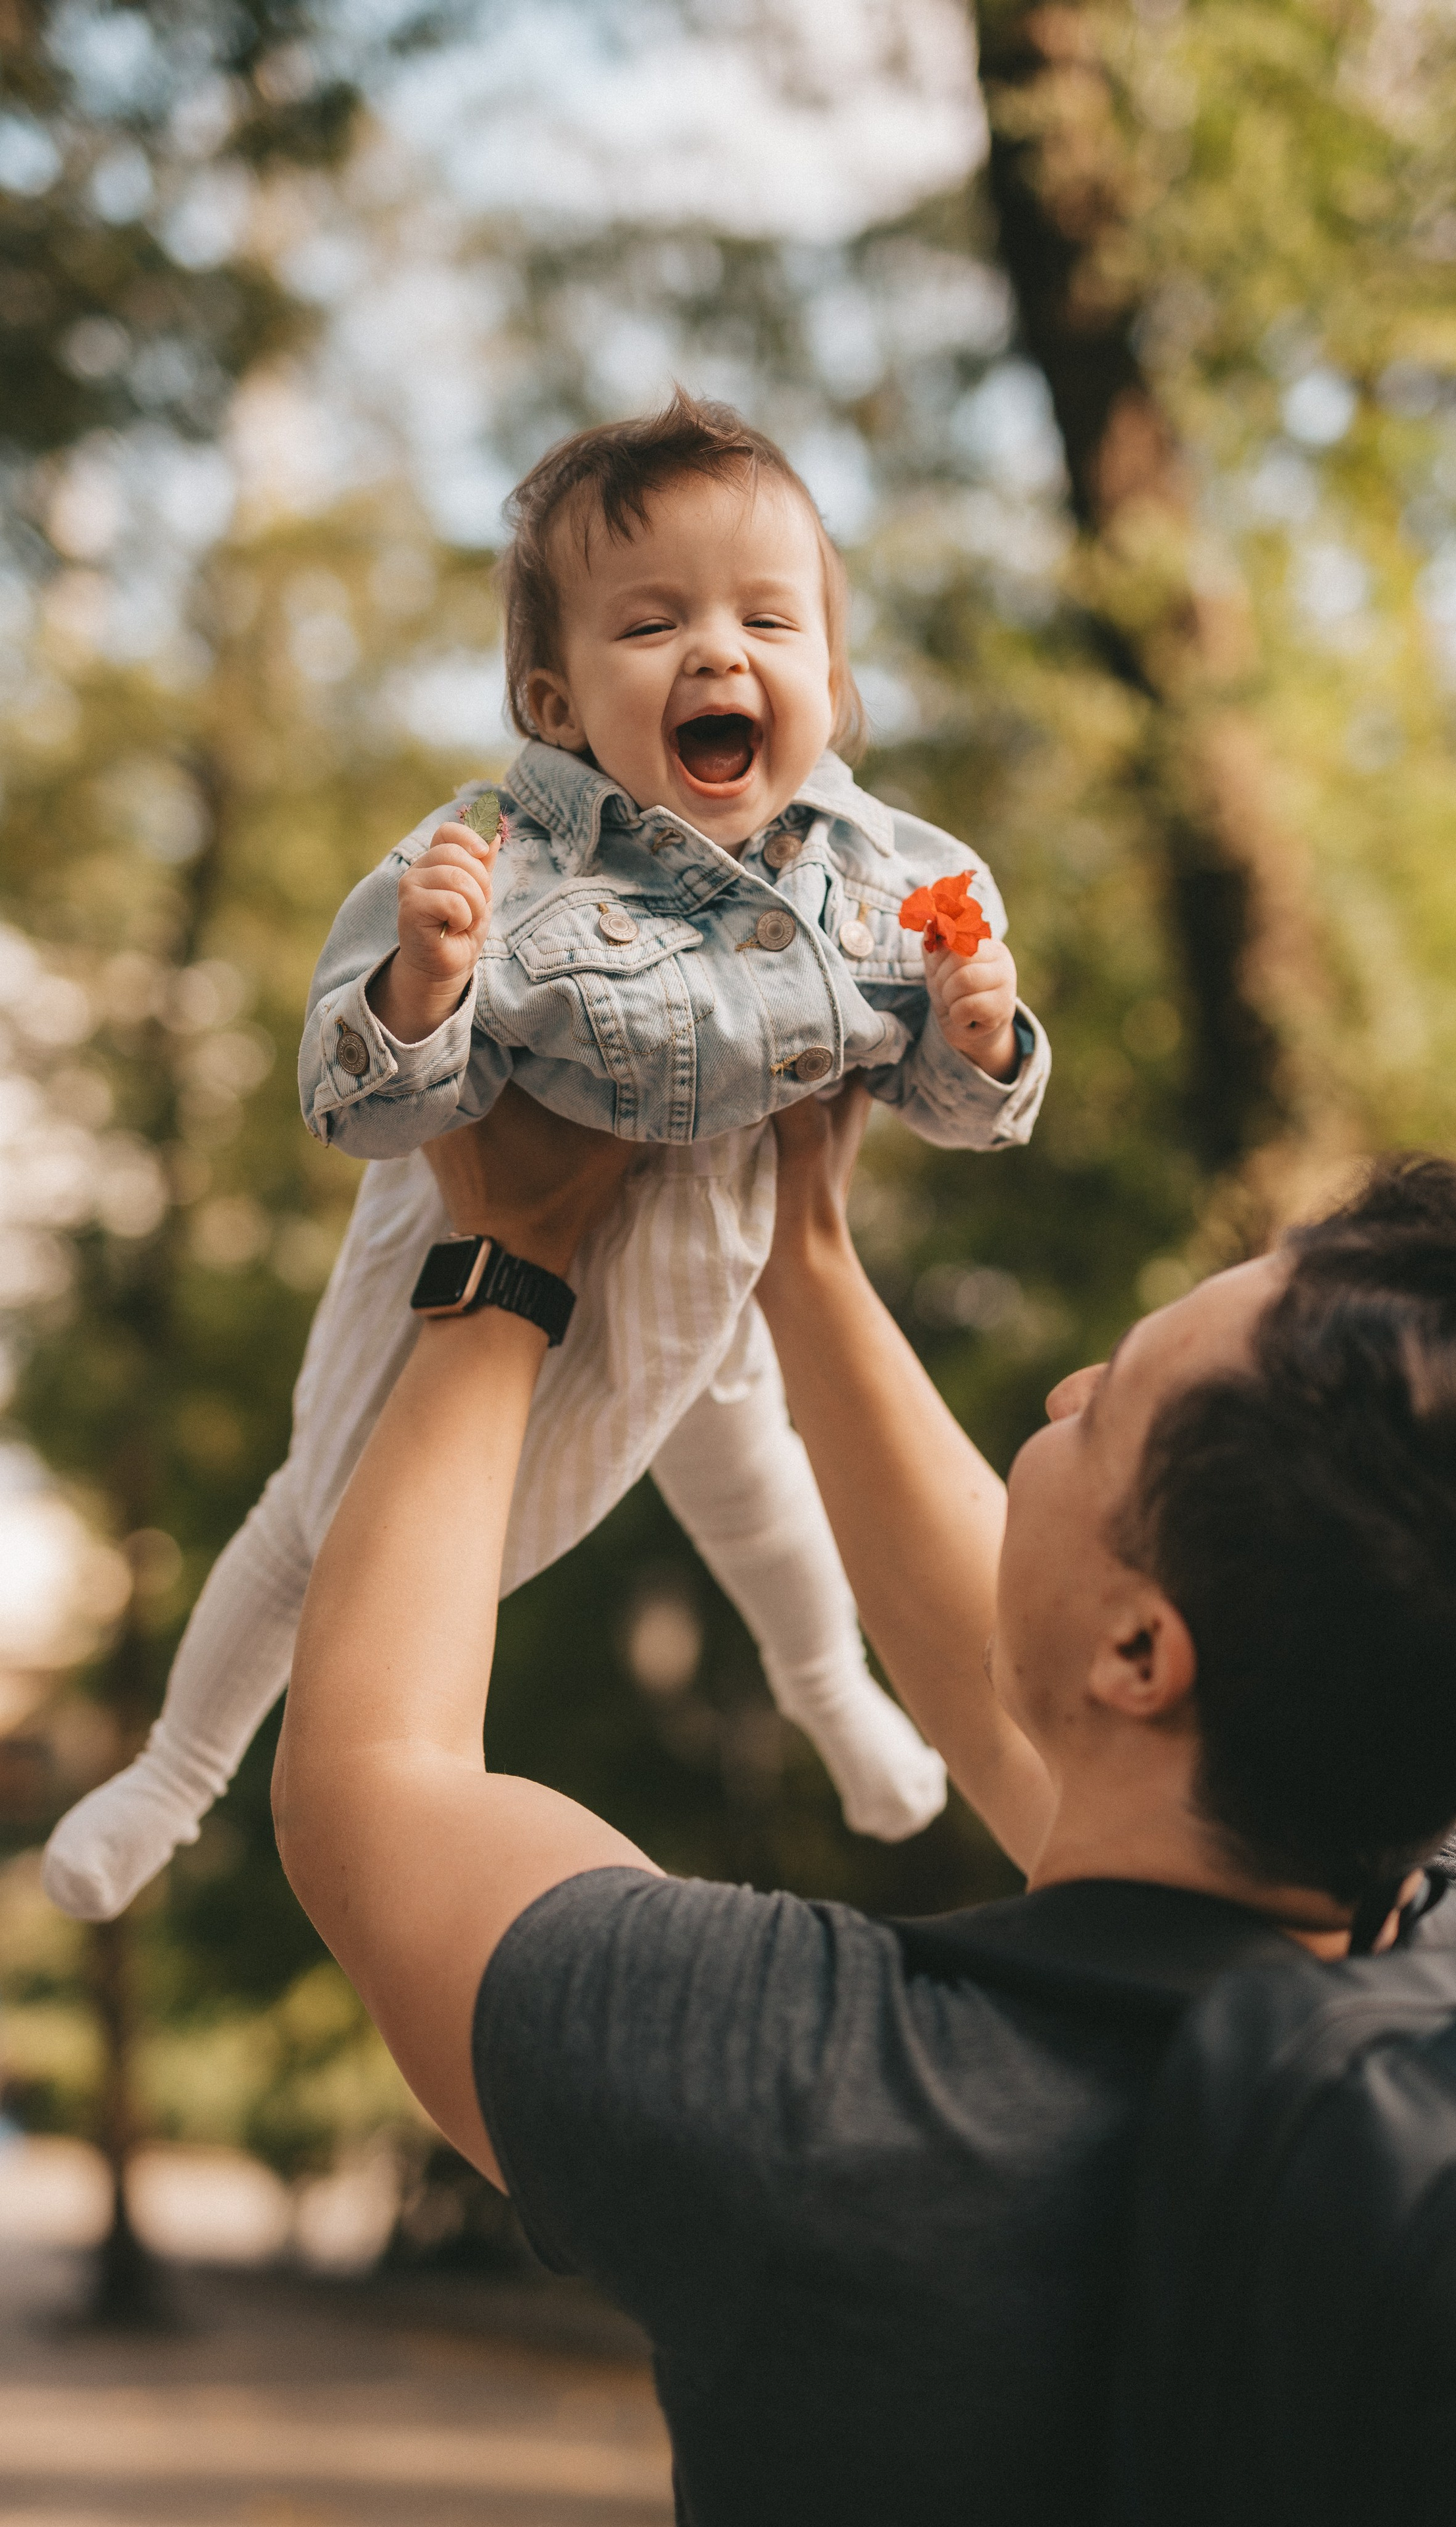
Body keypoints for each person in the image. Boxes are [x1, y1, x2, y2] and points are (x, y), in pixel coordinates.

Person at [270, 1080, 1456, 2527]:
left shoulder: (820, 2102)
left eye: (1112, 1399)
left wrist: (508, 1257)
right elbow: (1036, 1701)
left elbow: (372, 1789)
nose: (1064, 1394)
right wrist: (798, 1258)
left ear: (1143, 1651)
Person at [44, 391, 1052, 1923]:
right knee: (317, 1510)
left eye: (767, 620)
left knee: (752, 1482)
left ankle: (829, 1689)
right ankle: (179, 1769)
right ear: (557, 700)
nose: (720, 653)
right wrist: (421, 986)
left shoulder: (893, 872)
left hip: (715, 1236)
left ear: (829, 685)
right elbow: (351, 1096)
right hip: (472, 1211)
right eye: (652, 625)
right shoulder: (490, 851)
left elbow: (949, 1099)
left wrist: (978, 1039)